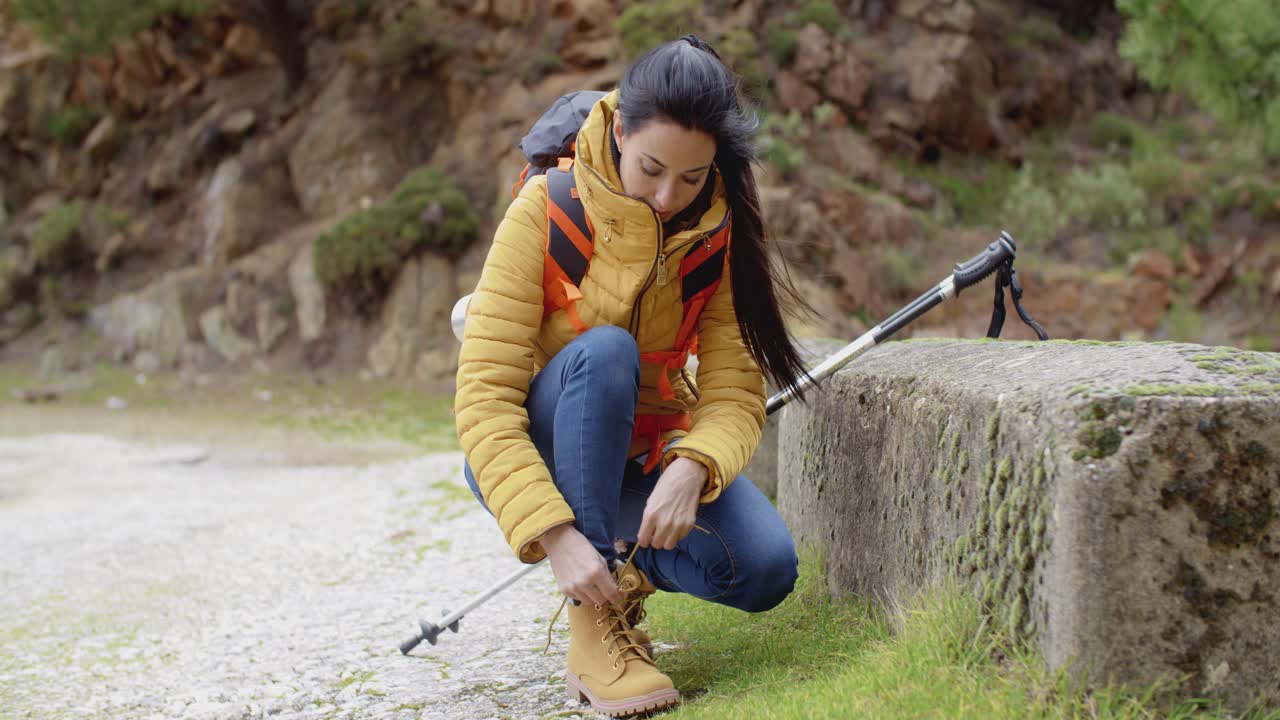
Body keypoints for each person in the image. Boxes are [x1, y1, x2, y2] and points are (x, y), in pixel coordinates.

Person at [454, 35, 812, 717]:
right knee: (607, 351)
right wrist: (556, 538)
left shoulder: (715, 236)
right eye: (650, 168)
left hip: (641, 455)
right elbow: (483, 400)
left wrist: (692, 465)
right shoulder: (544, 209)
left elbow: (735, 390)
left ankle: (624, 563)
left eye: (691, 177)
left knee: (763, 567)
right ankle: (596, 625)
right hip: (549, 449)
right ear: (620, 131)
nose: (667, 196)